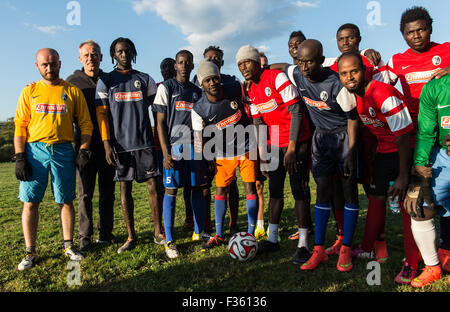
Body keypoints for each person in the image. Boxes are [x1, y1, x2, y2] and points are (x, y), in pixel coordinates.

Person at [383, 6, 450, 284]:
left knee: (442, 201)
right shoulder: (396, 61)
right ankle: (413, 260)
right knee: (415, 199)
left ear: (430, 28)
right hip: (415, 137)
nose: (416, 35)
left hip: (443, 134)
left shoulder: (446, 50)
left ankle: (443, 250)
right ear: (402, 35)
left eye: (421, 29)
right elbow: (374, 83)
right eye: (410, 32)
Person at [14, 48, 93, 270]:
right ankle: (30, 251)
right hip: (34, 151)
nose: (49, 68)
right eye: (44, 65)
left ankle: (68, 246)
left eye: (53, 63)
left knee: (65, 200)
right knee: (30, 202)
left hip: (63, 150)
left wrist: (84, 149)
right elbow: (20, 126)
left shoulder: (72, 91)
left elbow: (86, 122)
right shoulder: (29, 91)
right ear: (37, 66)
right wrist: (20, 156)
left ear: (60, 63)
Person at [236, 44, 313, 265]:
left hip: (296, 141)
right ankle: (272, 238)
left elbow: (296, 111)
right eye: (240, 64)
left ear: (256, 62)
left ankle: (303, 244)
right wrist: (262, 154)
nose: (244, 67)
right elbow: (259, 123)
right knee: (275, 191)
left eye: (247, 62)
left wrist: (291, 147)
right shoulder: (250, 89)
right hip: (274, 143)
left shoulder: (276, 77)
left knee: (299, 190)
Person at [337, 52, 414, 266]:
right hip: (383, 151)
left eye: (354, 71)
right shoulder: (352, 95)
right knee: (376, 199)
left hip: (405, 151)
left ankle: (412, 260)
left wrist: (403, 175)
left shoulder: (383, 93)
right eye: (344, 74)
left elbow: (403, 136)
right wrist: (351, 154)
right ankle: (367, 247)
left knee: (406, 205)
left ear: (363, 70)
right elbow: (354, 121)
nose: (349, 77)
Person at [289, 40, 360, 272]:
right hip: (320, 140)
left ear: (321, 60)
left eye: (309, 61)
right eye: (300, 61)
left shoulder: (336, 84)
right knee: (322, 190)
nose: (304, 66)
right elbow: (280, 67)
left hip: (342, 138)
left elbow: (352, 118)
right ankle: (319, 250)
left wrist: (350, 151)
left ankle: (346, 248)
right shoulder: (296, 74)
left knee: (349, 191)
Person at [95, 37, 163, 253]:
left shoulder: (145, 79)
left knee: (153, 186)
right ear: (113, 54)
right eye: (119, 51)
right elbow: (102, 115)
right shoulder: (106, 80)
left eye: (127, 50)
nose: (123, 54)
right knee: (125, 189)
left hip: (144, 143)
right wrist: (107, 144)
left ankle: (158, 232)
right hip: (120, 146)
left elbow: (156, 110)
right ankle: (131, 236)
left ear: (133, 52)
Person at [192, 60, 258, 248]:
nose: (212, 83)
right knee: (221, 190)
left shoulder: (236, 88)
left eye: (215, 78)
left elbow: (252, 107)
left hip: (246, 147)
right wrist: (205, 159)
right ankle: (220, 234)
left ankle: (251, 234)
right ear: (202, 84)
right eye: (207, 80)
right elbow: (199, 138)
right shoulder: (198, 109)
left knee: (250, 189)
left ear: (219, 78)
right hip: (222, 153)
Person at [153, 49, 206, 259]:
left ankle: (199, 232)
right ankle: (170, 240)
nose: (184, 66)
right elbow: (160, 123)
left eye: (188, 62)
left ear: (192, 66)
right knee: (171, 190)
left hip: (195, 146)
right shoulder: (166, 88)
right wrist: (166, 152)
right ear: (175, 65)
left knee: (197, 188)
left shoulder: (197, 91)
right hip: (175, 147)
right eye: (180, 62)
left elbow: (203, 122)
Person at [66, 40, 117, 253]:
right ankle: (85, 238)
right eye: (86, 55)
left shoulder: (109, 80)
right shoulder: (72, 82)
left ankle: (105, 234)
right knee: (85, 193)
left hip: (107, 145)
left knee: (108, 192)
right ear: (80, 58)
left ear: (101, 57)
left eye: (94, 54)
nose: (90, 58)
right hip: (83, 148)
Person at [403, 74, 450, 287]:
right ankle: (433, 265)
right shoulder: (435, 87)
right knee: (419, 205)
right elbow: (425, 132)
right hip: (443, 154)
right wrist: (419, 170)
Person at [191, 45, 241, 236]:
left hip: (232, 146)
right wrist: (204, 154)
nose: (212, 61)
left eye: (216, 58)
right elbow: (198, 125)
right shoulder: (198, 85)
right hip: (210, 147)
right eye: (208, 58)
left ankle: (233, 223)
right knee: (205, 188)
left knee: (232, 186)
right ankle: (206, 225)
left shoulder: (231, 82)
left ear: (221, 62)